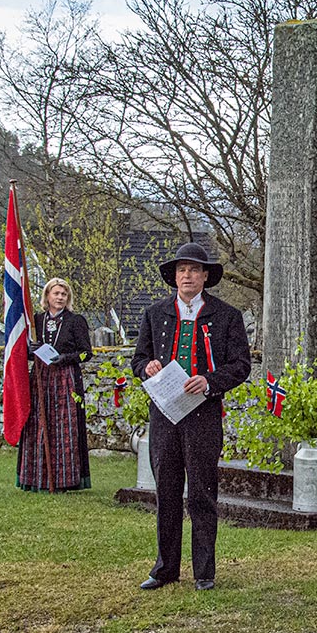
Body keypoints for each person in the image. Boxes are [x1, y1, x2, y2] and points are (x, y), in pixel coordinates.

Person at [132, 243, 251, 591]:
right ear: (175, 276)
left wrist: (210, 381)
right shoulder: (154, 314)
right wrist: (147, 367)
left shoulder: (227, 316)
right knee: (166, 492)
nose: (188, 275)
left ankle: (204, 572)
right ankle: (165, 568)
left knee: (201, 493)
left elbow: (241, 365)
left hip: (203, 416)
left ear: (204, 277)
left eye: (195, 270)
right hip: (165, 414)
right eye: (182, 270)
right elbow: (138, 359)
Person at [18, 277, 93, 492]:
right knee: (38, 423)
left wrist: (65, 358)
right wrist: (31, 351)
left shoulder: (75, 320)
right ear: (47, 296)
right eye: (56, 293)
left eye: (64, 294)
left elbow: (86, 353)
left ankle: (63, 480)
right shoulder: (36, 321)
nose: (60, 297)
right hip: (41, 378)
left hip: (65, 378)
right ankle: (35, 477)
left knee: (63, 427)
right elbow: (28, 353)